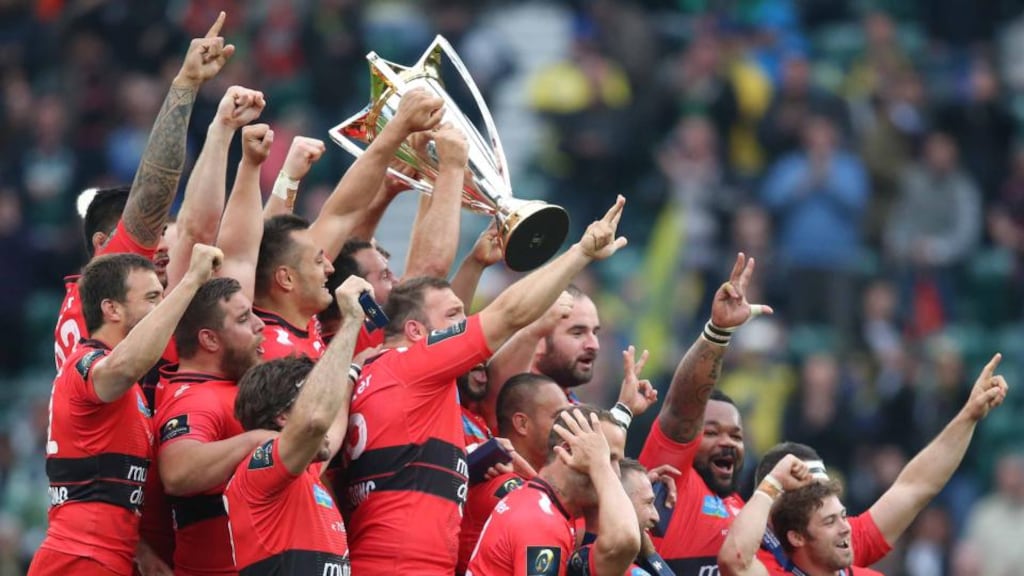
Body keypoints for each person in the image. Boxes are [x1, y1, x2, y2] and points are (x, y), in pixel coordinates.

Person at [340, 196, 629, 574]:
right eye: (455, 316)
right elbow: (508, 315)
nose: (466, 322)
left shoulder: (374, 373)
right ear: (416, 332)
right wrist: (581, 252)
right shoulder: (413, 364)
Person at [54, 12, 235, 371]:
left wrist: (222, 130)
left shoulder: (86, 305)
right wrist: (185, 83)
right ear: (104, 245)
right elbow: (154, 193)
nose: (161, 243)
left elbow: (194, 225)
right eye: (149, 238)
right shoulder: (110, 280)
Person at [29, 245, 222, 576]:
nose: (161, 309)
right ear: (112, 309)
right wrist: (191, 280)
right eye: (151, 298)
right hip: (80, 558)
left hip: (109, 558)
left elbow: (106, 489)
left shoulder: (129, 391)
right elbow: (123, 366)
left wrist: (140, 550)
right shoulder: (86, 364)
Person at [725, 352, 1011, 575]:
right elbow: (734, 561)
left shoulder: (844, 544)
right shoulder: (765, 568)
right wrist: (772, 484)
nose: (845, 527)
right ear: (795, 534)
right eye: (828, 519)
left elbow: (915, 487)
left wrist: (969, 415)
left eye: (841, 514)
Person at [224, 276, 370, 574]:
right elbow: (315, 420)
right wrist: (353, 320)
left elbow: (331, 424)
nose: (325, 409)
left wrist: (353, 371)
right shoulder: (259, 471)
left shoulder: (308, 470)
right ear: (283, 417)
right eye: (310, 395)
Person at [638, 252, 772, 574]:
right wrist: (718, 331)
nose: (727, 443)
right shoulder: (668, 480)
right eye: (711, 432)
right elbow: (683, 407)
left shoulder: (743, 511)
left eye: (736, 436)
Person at [152, 277, 274, 575]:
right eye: (244, 318)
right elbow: (178, 472)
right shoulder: (196, 399)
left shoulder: (223, 388)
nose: (261, 326)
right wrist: (258, 441)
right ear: (209, 340)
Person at [466, 406, 640, 576]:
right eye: (606, 458)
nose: (615, 474)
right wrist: (600, 467)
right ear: (567, 451)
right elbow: (626, 541)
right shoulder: (540, 521)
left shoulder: (548, 504)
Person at [457, 373, 572, 574]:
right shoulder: (502, 482)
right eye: (559, 417)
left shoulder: (525, 482)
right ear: (522, 424)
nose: (568, 426)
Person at [569, 458, 675, 576]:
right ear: (620, 503)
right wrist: (650, 556)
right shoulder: (628, 571)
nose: (656, 517)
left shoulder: (575, 549)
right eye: (648, 503)